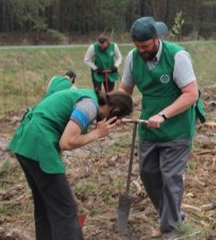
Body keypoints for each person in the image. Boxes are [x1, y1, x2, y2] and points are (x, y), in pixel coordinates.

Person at [119, 16, 205, 238]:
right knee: (147, 173)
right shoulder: (132, 57)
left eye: (146, 46)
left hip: (177, 128)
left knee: (171, 178)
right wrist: (114, 110)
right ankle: (171, 216)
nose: (142, 51)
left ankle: (171, 229)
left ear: (156, 39)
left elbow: (191, 94)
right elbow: (124, 90)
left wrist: (164, 114)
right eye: (138, 47)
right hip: (149, 126)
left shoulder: (177, 56)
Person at [9, 88, 133, 240]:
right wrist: (97, 133)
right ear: (115, 110)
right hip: (40, 144)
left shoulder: (85, 96)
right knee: (66, 209)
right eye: (115, 119)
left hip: (26, 142)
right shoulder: (89, 106)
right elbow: (66, 142)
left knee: (45, 206)